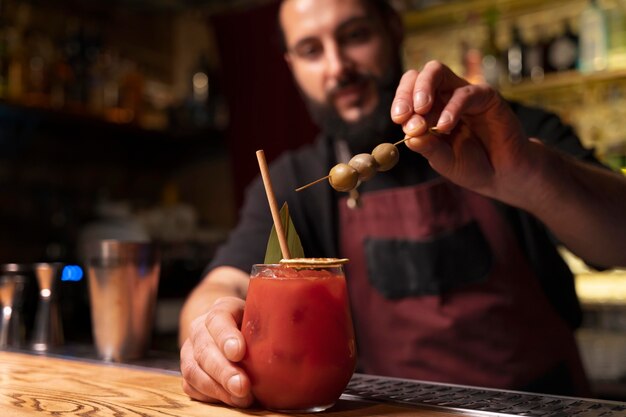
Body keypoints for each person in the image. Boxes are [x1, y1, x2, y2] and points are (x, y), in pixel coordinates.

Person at [179, 0, 626, 408]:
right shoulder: (296, 182)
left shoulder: (504, 130)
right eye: (311, 50)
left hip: (542, 406)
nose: (338, 67)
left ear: (393, 28)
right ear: (291, 65)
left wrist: (531, 174)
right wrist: (210, 333)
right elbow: (222, 285)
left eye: (355, 35)